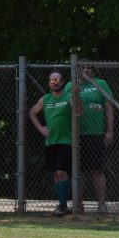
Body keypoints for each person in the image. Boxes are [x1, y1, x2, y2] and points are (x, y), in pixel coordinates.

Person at [63, 61, 114, 213]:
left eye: (88, 67)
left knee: (97, 170)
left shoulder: (101, 84)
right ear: (77, 70)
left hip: (96, 134)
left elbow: (109, 109)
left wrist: (109, 131)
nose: (86, 70)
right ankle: (78, 205)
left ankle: (101, 204)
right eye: (82, 67)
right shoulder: (69, 86)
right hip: (76, 135)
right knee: (78, 172)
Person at [29, 71, 73, 217]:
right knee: (55, 175)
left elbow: (80, 111)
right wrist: (41, 128)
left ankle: (63, 205)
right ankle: (62, 205)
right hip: (50, 141)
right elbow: (32, 113)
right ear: (49, 83)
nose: (55, 82)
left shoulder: (69, 97)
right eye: (52, 80)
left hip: (66, 141)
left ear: (63, 82)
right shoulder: (45, 99)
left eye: (58, 80)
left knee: (62, 172)